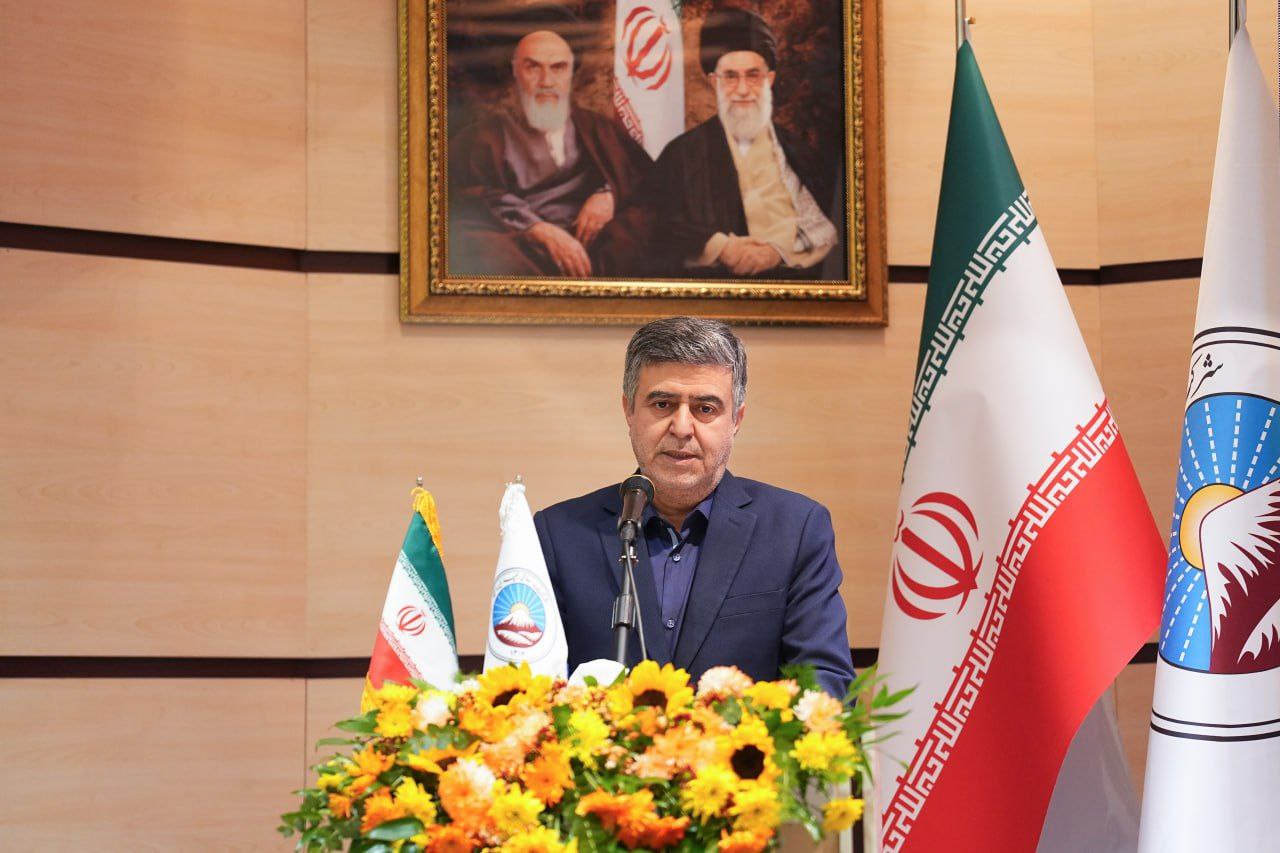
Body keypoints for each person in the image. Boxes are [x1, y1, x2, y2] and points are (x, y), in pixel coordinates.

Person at [533, 317, 854, 697]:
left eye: (705, 408)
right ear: (629, 411)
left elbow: (824, 686)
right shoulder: (558, 535)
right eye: (662, 404)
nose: (682, 428)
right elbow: (531, 690)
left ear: (736, 420)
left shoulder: (795, 530)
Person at [639, 8, 840, 278]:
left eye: (753, 75)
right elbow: (657, 227)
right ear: (714, 82)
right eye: (731, 77)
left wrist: (777, 252)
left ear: (769, 80)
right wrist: (720, 247)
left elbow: (825, 227)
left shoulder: (799, 153)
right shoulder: (681, 155)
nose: (743, 90)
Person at [448, 19, 652, 278]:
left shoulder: (598, 128)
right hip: (523, 247)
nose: (546, 81)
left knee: (639, 229)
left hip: (594, 245)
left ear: (570, 74)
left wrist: (608, 194)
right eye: (533, 67)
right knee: (479, 247)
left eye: (558, 67)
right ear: (515, 71)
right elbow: (467, 199)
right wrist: (538, 229)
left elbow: (642, 179)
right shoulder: (478, 138)